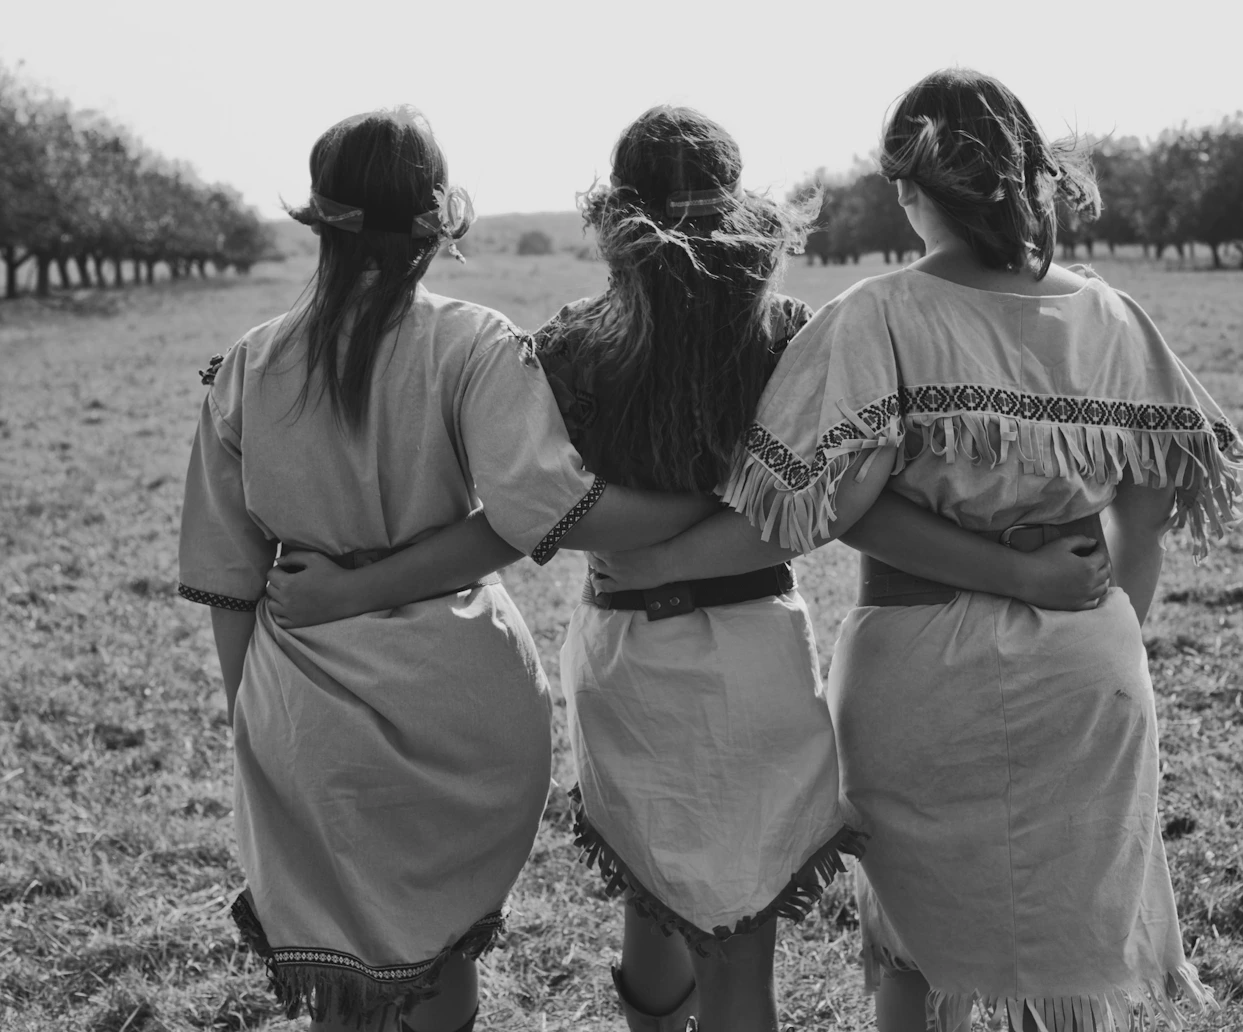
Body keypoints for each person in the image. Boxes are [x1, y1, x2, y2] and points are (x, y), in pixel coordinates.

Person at [269, 105, 1116, 1032]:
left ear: (617, 208)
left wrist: (647, 554)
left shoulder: (565, 347)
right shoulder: (798, 333)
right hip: (754, 645)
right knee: (738, 943)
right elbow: (837, 499)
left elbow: (527, 513)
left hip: (623, 650)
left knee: (652, 892)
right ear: (740, 200)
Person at [591, 70, 1243, 1032]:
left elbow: (832, 507)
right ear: (1029, 179)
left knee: (913, 952)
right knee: (1075, 951)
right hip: (1087, 660)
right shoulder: (1115, 320)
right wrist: (1083, 621)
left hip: (915, 659)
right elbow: (1149, 518)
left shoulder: (878, 317)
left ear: (910, 191)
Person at [176, 107, 719, 1032]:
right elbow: (538, 514)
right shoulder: (475, 346)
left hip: (301, 705)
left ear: (320, 221)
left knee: (340, 981)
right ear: (437, 223)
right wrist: (707, 504)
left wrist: (252, 719)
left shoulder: (246, 368)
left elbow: (228, 576)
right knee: (439, 964)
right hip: (462, 698)